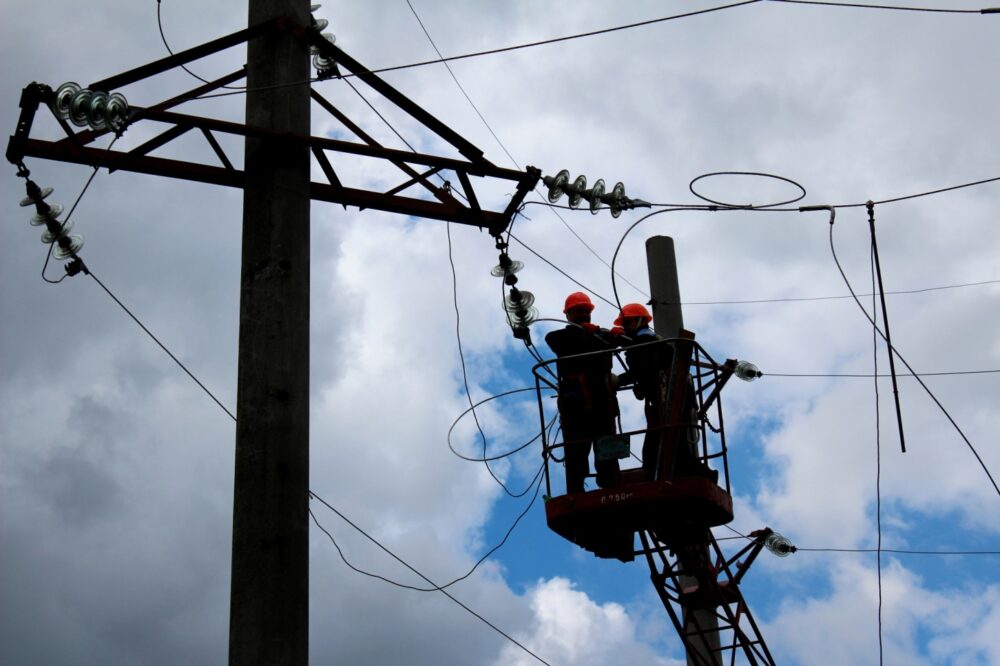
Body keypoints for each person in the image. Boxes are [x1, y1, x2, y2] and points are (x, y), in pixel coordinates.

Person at [545, 292, 620, 493]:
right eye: (578, 311)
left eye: (586, 311)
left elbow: (618, 343)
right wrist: (588, 333)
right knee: (577, 453)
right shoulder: (560, 337)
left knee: (607, 451)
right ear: (568, 315)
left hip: (603, 404)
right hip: (576, 406)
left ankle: (611, 486)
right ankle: (576, 491)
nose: (584, 315)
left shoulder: (601, 336)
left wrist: (615, 334)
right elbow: (556, 341)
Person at [612, 303, 667, 480]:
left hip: (666, 397)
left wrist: (619, 380)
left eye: (627, 323)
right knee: (660, 440)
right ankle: (654, 471)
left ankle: (653, 475)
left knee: (655, 445)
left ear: (640, 321)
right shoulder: (651, 340)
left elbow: (642, 368)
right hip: (664, 396)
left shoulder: (645, 341)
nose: (625, 328)